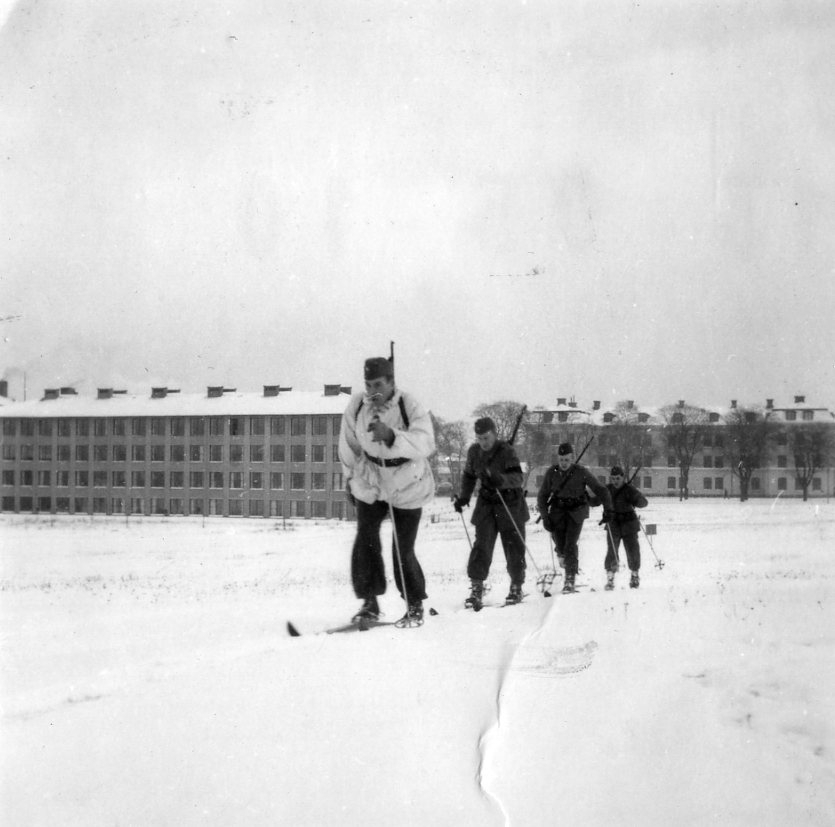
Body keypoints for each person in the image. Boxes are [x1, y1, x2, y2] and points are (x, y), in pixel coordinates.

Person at [338, 356, 436, 626]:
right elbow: (348, 445)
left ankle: (414, 604)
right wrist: (349, 480)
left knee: (402, 549)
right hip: (371, 480)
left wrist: (392, 435)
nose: (373, 392)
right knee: (365, 540)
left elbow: (426, 443)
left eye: (379, 384)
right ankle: (370, 602)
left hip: (407, 483)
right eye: (368, 385)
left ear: (392, 382)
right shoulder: (358, 405)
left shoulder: (410, 405)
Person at [453, 417, 529, 609]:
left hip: (509, 502)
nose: (483, 442)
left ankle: (516, 586)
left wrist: (500, 479)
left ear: (494, 434)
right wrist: (464, 497)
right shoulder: (474, 452)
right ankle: (477, 587)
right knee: (482, 545)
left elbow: (518, 478)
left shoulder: (507, 451)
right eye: (479, 438)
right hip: (486, 503)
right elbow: (469, 476)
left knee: (513, 546)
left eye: (486, 437)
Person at [537, 442, 612, 593]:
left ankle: (569, 579)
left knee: (570, 544)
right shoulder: (552, 472)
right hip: (557, 512)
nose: (564, 463)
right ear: (558, 459)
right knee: (560, 545)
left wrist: (608, 509)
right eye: (561, 460)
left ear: (572, 458)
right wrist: (545, 517)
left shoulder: (581, 472)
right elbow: (542, 496)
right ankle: (563, 557)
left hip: (576, 513)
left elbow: (601, 489)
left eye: (567, 460)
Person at [603, 466, 649, 590]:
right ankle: (610, 578)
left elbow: (644, 503)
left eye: (617, 478)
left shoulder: (629, 490)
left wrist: (636, 499)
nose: (615, 481)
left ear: (623, 478)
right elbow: (595, 501)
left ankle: (634, 576)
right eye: (612, 478)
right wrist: (585, 496)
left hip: (629, 524)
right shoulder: (607, 490)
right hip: (613, 524)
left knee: (633, 550)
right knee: (612, 551)